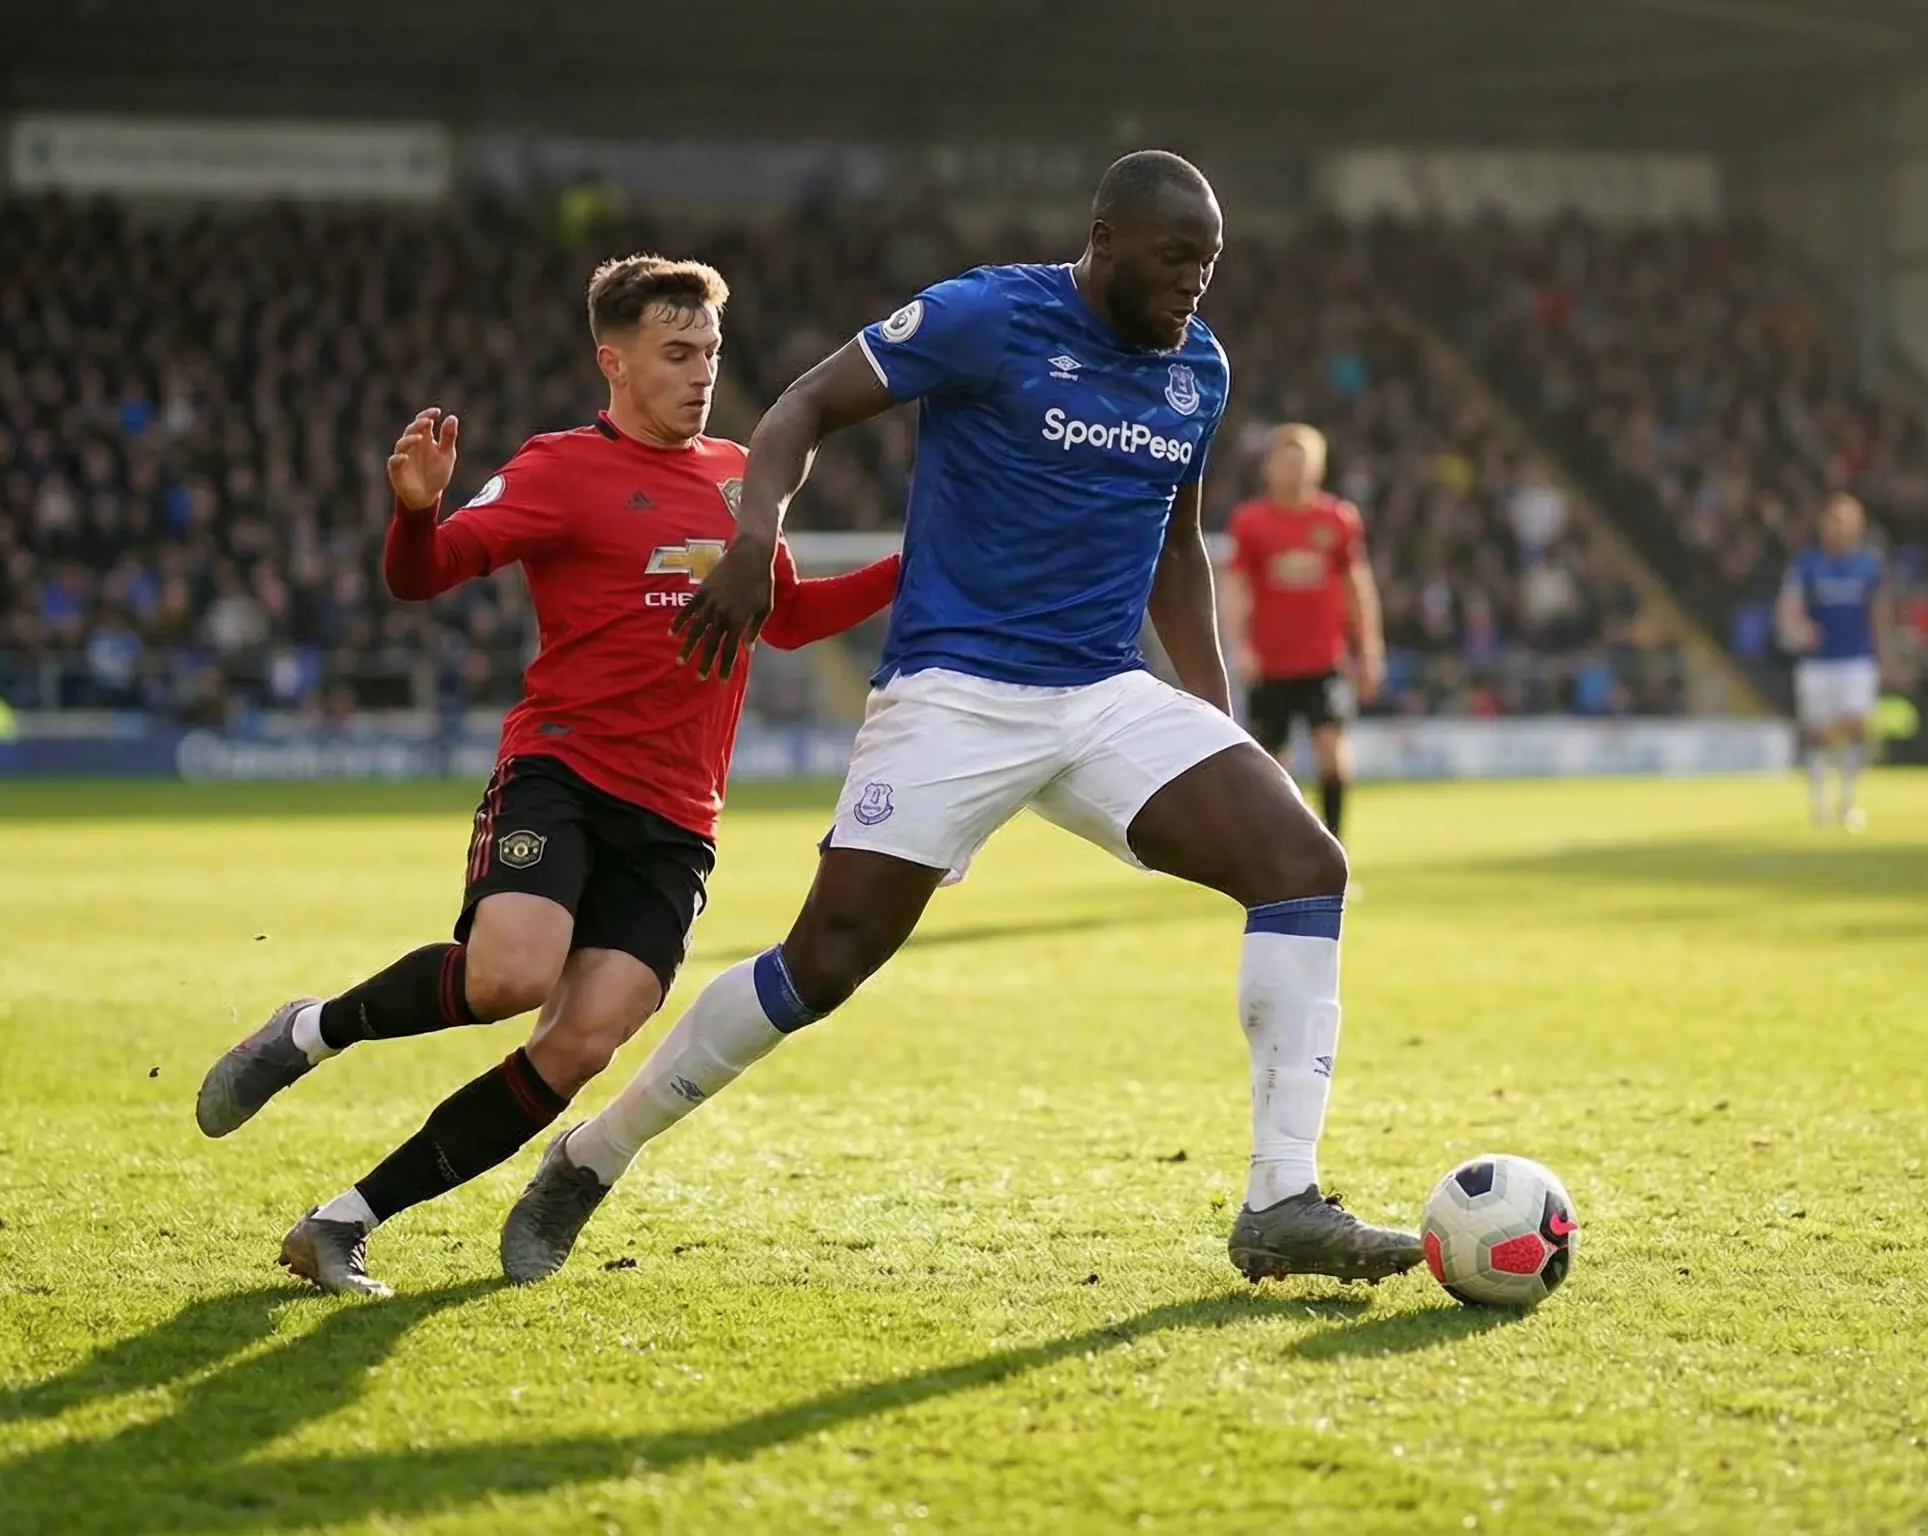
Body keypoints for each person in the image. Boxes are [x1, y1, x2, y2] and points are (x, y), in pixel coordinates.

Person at [492, 150, 1422, 1289]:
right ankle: (591, 1157)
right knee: (823, 964)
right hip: (954, 693)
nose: (1195, 285)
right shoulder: (988, 315)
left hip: (1097, 690)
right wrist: (749, 543)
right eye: (1176, 260)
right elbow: (801, 409)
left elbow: (1174, 548)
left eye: (1210, 264)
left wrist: (1214, 721)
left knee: (1301, 865)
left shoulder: (1198, 372)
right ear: (1107, 241)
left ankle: (1280, 1197)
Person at [191, 255, 900, 1297]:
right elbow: (422, 576)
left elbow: (782, 618)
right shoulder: (557, 468)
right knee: (508, 976)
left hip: (677, 813)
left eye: (709, 349)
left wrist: (911, 564)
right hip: (562, 767)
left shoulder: (745, 474)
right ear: (613, 362)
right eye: (676, 351)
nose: (700, 369)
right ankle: (308, 1031)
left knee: (582, 1041)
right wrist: (415, 514)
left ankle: (343, 1222)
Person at [1224, 423, 1383, 838]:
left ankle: (1334, 847)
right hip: (1271, 662)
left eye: (1304, 463)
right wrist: (1240, 646)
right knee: (1273, 766)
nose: (1295, 471)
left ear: (1318, 469)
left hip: (1324, 660)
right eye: (1287, 462)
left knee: (1331, 750)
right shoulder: (1251, 522)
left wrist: (1369, 647)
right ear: (1270, 467)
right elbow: (1237, 587)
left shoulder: (1337, 519)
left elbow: (1357, 586)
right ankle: (1278, 849)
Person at [1776, 494, 1888, 831]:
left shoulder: (1868, 566)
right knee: (1818, 734)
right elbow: (1789, 605)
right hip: (1818, 662)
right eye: (1834, 520)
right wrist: (1797, 629)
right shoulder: (1807, 564)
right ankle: (1819, 804)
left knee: (1856, 724)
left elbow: (1879, 613)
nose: (1840, 527)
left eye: (1847, 520)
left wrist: (1887, 656)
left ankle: (1848, 800)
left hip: (1856, 658)